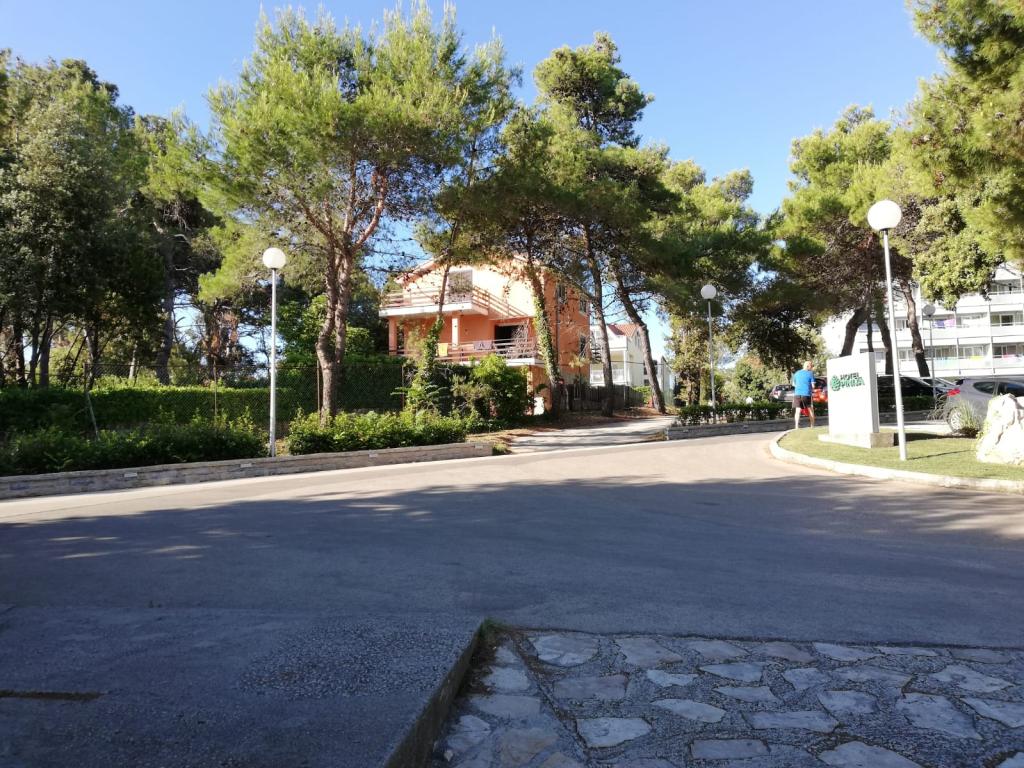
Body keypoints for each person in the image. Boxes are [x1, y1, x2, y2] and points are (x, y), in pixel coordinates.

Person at [792, 361, 816, 429]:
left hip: (797, 394)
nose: (811, 368)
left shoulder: (797, 373)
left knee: (798, 411)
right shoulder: (810, 373)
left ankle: (796, 426)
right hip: (806, 394)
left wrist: (799, 386)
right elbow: (813, 386)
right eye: (811, 366)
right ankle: (812, 425)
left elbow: (793, 384)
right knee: (810, 410)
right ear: (808, 366)